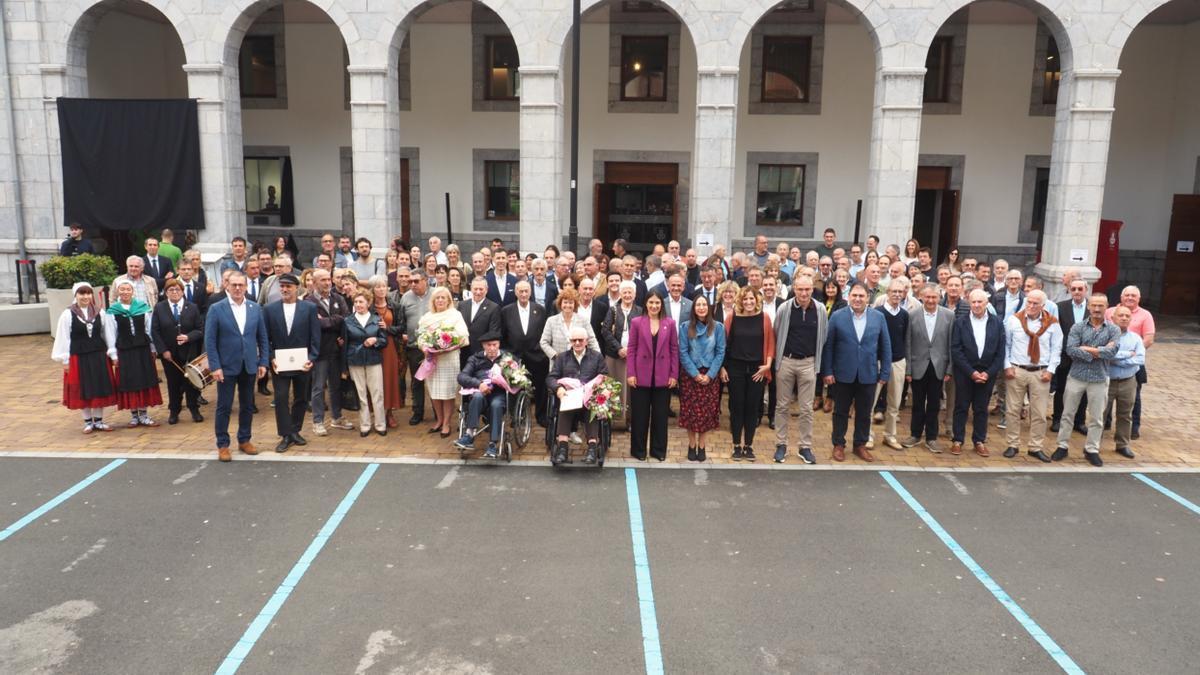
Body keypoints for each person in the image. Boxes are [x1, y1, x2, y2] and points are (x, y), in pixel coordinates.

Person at [820, 283, 890, 462]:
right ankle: (838, 444)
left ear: (868, 298)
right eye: (854, 295)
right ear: (848, 296)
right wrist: (827, 371)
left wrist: (885, 372)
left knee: (864, 413)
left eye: (861, 296)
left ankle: (860, 445)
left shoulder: (878, 317)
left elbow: (885, 346)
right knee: (840, 411)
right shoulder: (837, 316)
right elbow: (829, 346)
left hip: (868, 374)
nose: (858, 299)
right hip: (843, 373)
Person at [203, 271, 269, 462]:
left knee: (247, 405)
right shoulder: (217, 308)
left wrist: (263, 361)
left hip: (249, 365)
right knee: (224, 406)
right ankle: (223, 444)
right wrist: (215, 366)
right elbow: (210, 340)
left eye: (241, 285)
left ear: (246, 287)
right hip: (226, 366)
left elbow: (262, 338)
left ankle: (244, 439)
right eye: (234, 285)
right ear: (227, 286)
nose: (238, 288)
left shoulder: (255, 308)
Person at [1051, 293, 1119, 466]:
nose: (1097, 309)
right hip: (1076, 376)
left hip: (1099, 378)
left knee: (1097, 418)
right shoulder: (1078, 327)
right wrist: (1099, 352)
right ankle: (1062, 446)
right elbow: (1070, 350)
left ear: (1106, 307)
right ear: (1088, 306)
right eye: (1094, 305)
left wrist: (1087, 349)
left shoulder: (1113, 329)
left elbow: (1112, 352)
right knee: (1067, 414)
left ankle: (1092, 449)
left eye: (1100, 305)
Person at [1000, 289, 1062, 462]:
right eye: (1029, 302)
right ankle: (1012, 444)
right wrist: (1007, 366)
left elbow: (1057, 348)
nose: (1031, 306)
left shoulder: (1052, 323)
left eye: (1036, 303)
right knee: (1012, 410)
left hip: (1041, 372)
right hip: (1016, 370)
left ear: (1043, 305)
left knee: (1039, 413)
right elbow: (1005, 344)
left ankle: (1035, 447)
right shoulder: (1014, 320)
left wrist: (1050, 370)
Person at [772, 275, 826, 465]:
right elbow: (777, 332)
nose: (804, 293)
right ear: (794, 289)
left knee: (806, 408)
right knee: (782, 406)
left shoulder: (820, 309)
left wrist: (816, 362)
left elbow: (823, 336)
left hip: (808, 363)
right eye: (800, 289)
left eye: (807, 289)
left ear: (812, 290)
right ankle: (781, 444)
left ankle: (805, 446)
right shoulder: (784, 308)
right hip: (786, 361)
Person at [263, 273, 320, 452]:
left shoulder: (309, 308)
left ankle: (295, 430)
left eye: (288, 286)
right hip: (279, 364)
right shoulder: (269, 309)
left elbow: (315, 336)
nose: (285, 289)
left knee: (301, 397)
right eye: (282, 286)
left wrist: (312, 358)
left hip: (302, 363)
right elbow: (265, 338)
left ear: (297, 288)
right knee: (280, 398)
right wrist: (271, 357)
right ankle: (285, 434)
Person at [52, 282, 118, 432]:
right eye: (82, 293)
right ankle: (88, 421)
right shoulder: (68, 314)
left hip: (98, 355)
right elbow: (63, 337)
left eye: (88, 293)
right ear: (76, 295)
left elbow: (107, 334)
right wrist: (65, 359)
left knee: (99, 386)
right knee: (83, 388)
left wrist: (112, 353)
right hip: (78, 357)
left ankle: (99, 421)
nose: (86, 297)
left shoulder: (100, 312)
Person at [722, 285, 776, 461]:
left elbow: (770, 343)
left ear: (757, 300)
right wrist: (723, 367)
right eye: (745, 299)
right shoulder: (732, 318)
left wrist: (767, 365)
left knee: (752, 408)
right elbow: (723, 344)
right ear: (740, 300)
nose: (748, 302)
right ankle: (736, 445)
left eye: (751, 298)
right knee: (737, 407)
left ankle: (749, 445)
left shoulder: (764, 318)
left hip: (757, 370)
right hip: (735, 369)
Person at [951, 289, 1006, 457]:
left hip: (987, 373)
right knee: (961, 406)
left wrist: (988, 373)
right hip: (965, 372)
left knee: (981, 408)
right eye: (973, 302)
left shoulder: (997, 323)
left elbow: (1000, 352)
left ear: (986, 303)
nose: (976, 305)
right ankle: (957, 440)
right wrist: (971, 372)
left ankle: (979, 441)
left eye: (979, 302)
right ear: (969, 303)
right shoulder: (960, 322)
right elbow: (956, 349)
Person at [102, 278, 163, 427]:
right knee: (129, 381)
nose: (125, 292)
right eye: (122, 289)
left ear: (133, 291)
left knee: (144, 380)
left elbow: (149, 329)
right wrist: (113, 355)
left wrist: (153, 348)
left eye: (128, 289)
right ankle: (134, 415)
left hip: (142, 350)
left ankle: (144, 414)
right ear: (117, 291)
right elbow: (110, 334)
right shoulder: (113, 311)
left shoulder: (142, 308)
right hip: (125, 351)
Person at [626, 292, 678, 462]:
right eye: (651, 302)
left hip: (663, 377)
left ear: (661, 305)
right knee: (639, 417)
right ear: (646, 304)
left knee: (660, 417)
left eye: (657, 303)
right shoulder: (636, 322)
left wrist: (674, 374)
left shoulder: (670, 323)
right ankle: (638, 450)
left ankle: (658, 450)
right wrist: (631, 373)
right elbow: (631, 349)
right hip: (640, 376)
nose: (654, 306)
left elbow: (674, 350)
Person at [903, 284, 954, 452]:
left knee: (934, 404)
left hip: (939, 366)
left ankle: (931, 437)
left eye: (934, 297)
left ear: (939, 298)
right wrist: (908, 369)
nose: (931, 300)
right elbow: (908, 343)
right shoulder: (912, 315)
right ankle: (915, 435)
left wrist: (949, 369)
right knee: (917, 403)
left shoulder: (949, 315)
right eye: (927, 297)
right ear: (921, 297)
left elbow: (951, 344)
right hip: (918, 365)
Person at [547, 326, 609, 464]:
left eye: (580, 340)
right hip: (570, 397)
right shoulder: (562, 358)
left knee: (593, 407)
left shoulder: (597, 357)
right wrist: (558, 388)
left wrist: (598, 389)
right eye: (574, 340)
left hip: (589, 398)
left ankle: (592, 448)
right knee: (565, 405)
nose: (577, 343)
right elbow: (551, 378)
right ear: (570, 341)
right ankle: (562, 448)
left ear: (586, 341)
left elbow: (604, 376)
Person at [305, 269, 354, 436]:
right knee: (318, 387)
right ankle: (318, 421)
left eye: (328, 279)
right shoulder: (309, 302)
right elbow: (314, 324)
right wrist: (335, 320)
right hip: (318, 352)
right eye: (323, 280)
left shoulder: (338, 298)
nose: (327, 283)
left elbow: (346, 318)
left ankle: (337, 417)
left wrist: (327, 321)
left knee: (336, 386)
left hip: (336, 350)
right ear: (314, 282)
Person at [417, 287, 469, 437]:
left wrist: (446, 345)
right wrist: (424, 347)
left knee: (447, 393)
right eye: (437, 298)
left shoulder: (455, 315)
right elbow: (421, 337)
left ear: (448, 300)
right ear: (433, 301)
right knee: (434, 392)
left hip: (449, 359)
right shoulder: (427, 317)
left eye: (443, 298)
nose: (440, 300)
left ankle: (446, 423)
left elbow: (463, 336)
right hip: (432, 360)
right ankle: (439, 420)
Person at [678, 295, 725, 462]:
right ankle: (692, 445)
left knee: (706, 413)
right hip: (690, 375)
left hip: (710, 375)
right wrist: (695, 374)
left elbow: (720, 352)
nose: (701, 308)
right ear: (694, 308)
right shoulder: (685, 327)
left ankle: (702, 445)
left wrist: (710, 375)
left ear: (709, 308)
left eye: (704, 304)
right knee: (690, 412)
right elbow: (683, 352)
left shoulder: (718, 327)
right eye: (698, 305)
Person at [151, 279, 204, 425]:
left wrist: (188, 337)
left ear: (182, 291)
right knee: (173, 384)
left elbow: (200, 329)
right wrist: (163, 351)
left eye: (177, 289)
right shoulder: (159, 308)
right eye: (171, 290)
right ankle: (174, 411)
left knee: (191, 382)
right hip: (170, 355)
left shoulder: (192, 307)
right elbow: (155, 331)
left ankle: (194, 409)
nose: (174, 292)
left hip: (189, 353)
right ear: (166, 292)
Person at [1104, 285, 1154, 439]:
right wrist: (1126, 356)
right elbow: (1104, 350)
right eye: (1127, 295)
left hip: (1133, 367)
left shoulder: (1145, 315)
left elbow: (1148, 340)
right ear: (1121, 297)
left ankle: (1133, 429)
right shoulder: (1109, 312)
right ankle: (1105, 425)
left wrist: (1123, 358)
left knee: (1134, 399)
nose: (1130, 298)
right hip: (1111, 369)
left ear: (1139, 299)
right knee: (1104, 404)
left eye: (1133, 295)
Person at [501, 280, 550, 427]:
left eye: (526, 291)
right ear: (516, 292)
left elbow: (545, 333)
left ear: (530, 292)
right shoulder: (506, 311)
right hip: (515, 357)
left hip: (537, 356)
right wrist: (507, 355)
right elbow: (503, 335)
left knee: (540, 387)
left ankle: (541, 415)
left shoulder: (540, 310)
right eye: (520, 291)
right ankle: (517, 417)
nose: (523, 294)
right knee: (515, 388)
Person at [455, 333, 510, 459]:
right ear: (483, 346)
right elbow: (462, 376)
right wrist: (478, 384)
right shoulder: (475, 359)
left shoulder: (507, 358)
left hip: (499, 394)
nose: (492, 348)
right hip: (481, 391)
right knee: (477, 396)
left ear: (499, 344)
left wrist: (507, 380)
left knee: (496, 405)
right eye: (488, 345)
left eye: (494, 344)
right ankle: (469, 435)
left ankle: (493, 444)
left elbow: (519, 378)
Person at [870, 279, 910, 449]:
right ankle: (867, 435)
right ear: (887, 292)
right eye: (894, 291)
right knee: (871, 401)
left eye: (900, 292)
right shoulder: (876, 313)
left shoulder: (905, 315)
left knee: (894, 403)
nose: (897, 295)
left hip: (898, 361)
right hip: (878, 361)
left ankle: (890, 436)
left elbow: (904, 338)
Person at [343, 291, 389, 437]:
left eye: (361, 302)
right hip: (354, 360)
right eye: (356, 302)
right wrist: (344, 366)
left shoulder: (377, 319)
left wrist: (376, 340)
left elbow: (384, 341)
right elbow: (344, 344)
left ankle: (380, 424)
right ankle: (365, 425)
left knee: (377, 393)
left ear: (368, 303)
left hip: (373, 359)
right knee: (360, 393)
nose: (358, 305)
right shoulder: (347, 321)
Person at [600, 280, 642, 431]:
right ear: (620, 294)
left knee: (631, 390)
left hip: (633, 357)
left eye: (630, 292)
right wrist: (618, 348)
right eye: (625, 292)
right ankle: (612, 420)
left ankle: (629, 420)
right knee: (612, 387)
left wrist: (630, 350)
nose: (627, 295)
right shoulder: (613, 310)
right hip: (614, 355)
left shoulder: (640, 311)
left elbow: (643, 333)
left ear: (635, 294)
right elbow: (605, 331)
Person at [1105, 305, 1145, 461]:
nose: (1124, 318)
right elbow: (1105, 354)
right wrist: (1128, 355)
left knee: (1125, 414)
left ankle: (1122, 444)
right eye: (1120, 315)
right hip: (1107, 381)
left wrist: (1118, 360)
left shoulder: (1136, 338)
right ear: (1112, 318)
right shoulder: (1105, 336)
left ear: (1131, 319)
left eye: (1127, 316)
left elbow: (1140, 359)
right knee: (1100, 413)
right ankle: (1093, 445)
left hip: (1128, 381)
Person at [1051, 278, 1090, 434]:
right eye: (1073, 289)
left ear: (1086, 290)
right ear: (1069, 290)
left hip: (1086, 357)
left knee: (1083, 391)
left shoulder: (1092, 307)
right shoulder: (1060, 307)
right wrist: (1070, 349)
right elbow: (1057, 331)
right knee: (1061, 389)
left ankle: (1079, 421)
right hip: (1065, 356)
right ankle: (1057, 419)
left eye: (1080, 289)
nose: (1077, 292)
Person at [368, 275, 405, 428]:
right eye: (378, 287)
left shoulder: (395, 306)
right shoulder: (368, 306)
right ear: (372, 290)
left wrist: (387, 328)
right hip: (373, 347)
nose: (381, 289)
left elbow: (401, 327)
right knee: (374, 381)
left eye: (384, 286)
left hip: (390, 347)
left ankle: (389, 413)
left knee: (389, 379)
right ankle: (376, 414)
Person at [399, 268, 432, 426]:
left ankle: (438, 412)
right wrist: (404, 334)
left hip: (434, 347)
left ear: (426, 281)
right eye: (410, 281)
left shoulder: (436, 294)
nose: (412, 284)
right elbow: (401, 321)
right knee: (416, 381)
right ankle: (418, 412)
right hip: (414, 347)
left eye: (416, 281)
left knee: (434, 381)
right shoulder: (406, 297)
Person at [541, 288, 599, 359]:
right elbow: (544, 342)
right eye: (565, 302)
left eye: (571, 303)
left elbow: (592, 341)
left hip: (580, 362)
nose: (568, 305)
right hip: (558, 363)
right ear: (560, 303)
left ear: (575, 304)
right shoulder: (551, 321)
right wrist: (555, 355)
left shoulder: (583, 320)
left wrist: (598, 358)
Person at [459, 277, 501, 366]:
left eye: (481, 289)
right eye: (475, 289)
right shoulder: (462, 305)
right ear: (471, 289)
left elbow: (493, 332)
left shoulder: (494, 307)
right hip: (463, 352)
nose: (478, 292)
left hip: (481, 355)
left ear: (486, 290)